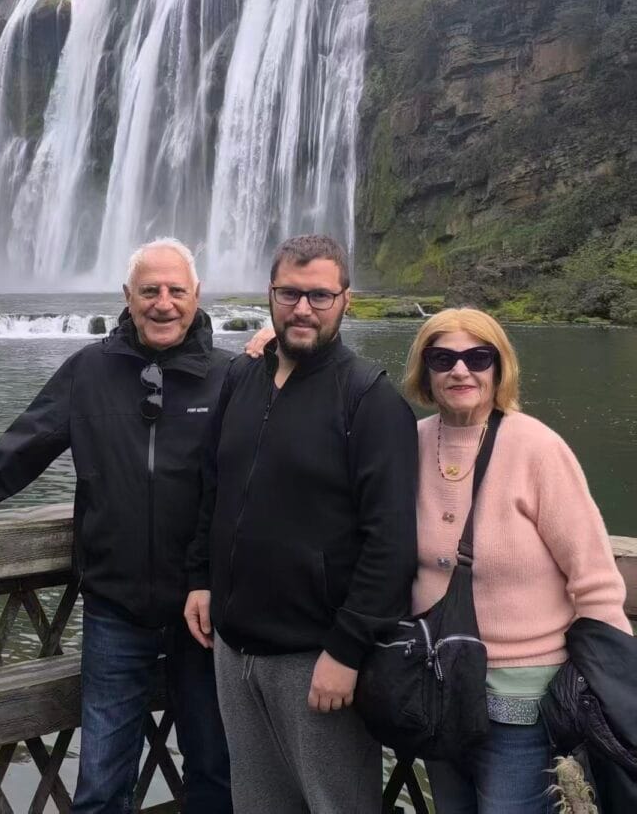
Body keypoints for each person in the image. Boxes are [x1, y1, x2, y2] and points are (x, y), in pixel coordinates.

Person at [0, 238, 233, 814]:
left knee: (216, 772)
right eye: (149, 291)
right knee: (100, 784)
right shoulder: (88, 370)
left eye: (176, 291)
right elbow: (22, 449)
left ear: (196, 297)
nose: (163, 303)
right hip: (115, 609)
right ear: (127, 298)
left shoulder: (232, 377)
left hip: (204, 612)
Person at [184, 233, 419, 814]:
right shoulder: (242, 380)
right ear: (270, 294)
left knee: (335, 804)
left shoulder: (369, 399)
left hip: (317, 659)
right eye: (290, 293)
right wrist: (200, 577)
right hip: (233, 649)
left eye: (320, 295)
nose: (303, 309)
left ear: (346, 300)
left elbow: (389, 542)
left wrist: (346, 650)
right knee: (258, 804)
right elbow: (215, 486)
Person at [402, 307, 631, 814]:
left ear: (499, 366)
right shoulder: (410, 443)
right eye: (443, 358)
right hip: (437, 689)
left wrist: (615, 694)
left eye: (476, 357)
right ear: (425, 370)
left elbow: (595, 580)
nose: (460, 370)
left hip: (523, 699)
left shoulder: (538, 448)